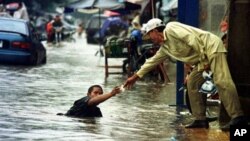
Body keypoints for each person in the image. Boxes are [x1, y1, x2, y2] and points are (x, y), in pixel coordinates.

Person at [124, 18, 248, 130]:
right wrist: (135, 77)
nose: (150, 38)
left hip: (211, 47)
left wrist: (205, 60)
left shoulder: (171, 28)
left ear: (155, 31)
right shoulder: (165, 47)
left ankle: (238, 117)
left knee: (222, 81)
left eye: (150, 35)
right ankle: (200, 119)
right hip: (202, 58)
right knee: (192, 83)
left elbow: (192, 39)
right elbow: (152, 62)